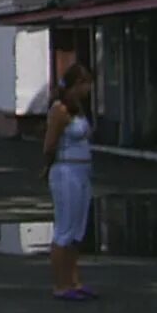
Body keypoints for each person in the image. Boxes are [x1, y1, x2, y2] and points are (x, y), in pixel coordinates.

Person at [42, 63, 96, 301]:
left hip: (83, 171)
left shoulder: (79, 109)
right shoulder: (60, 110)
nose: (88, 89)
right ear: (74, 85)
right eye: (84, 84)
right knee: (64, 229)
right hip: (66, 171)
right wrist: (47, 167)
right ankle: (61, 284)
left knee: (77, 228)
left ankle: (74, 280)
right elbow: (49, 144)